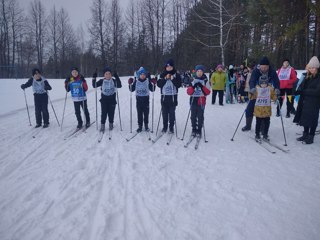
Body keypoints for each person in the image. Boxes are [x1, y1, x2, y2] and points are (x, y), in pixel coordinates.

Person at [242, 56, 280, 131]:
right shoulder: (256, 70)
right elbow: (252, 80)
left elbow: (276, 81)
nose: (263, 69)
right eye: (262, 67)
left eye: (265, 67)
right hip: (255, 91)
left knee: (263, 110)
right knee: (250, 108)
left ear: (268, 66)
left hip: (266, 92)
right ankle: (248, 125)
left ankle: (263, 128)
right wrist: (252, 88)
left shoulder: (272, 71)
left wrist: (277, 89)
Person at [293, 56, 320, 144]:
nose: (312, 69)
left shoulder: (318, 77)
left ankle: (311, 136)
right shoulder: (307, 77)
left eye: (313, 68)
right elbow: (301, 86)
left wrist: (304, 91)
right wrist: (298, 90)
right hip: (304, 100)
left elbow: (317, 91)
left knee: (312, 118)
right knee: (304, 117)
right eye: (310, 68)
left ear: (317, 68)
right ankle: (305, 134)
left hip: (314, 101)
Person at [92, 67, 122, 132]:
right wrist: (94, 78)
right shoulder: (101, 81)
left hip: (112, 100)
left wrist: (117, 77)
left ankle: (111, 124)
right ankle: (102, 125)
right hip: (104, 100)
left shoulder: (113, 80)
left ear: (111, 75)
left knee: (111, 113)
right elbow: (94, 85)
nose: (108, 75)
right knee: (104, 113)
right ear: (104, 75)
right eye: (106, 74)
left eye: (109, 74)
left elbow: (119, 85)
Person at [128, 67, 156, 132]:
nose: (142, 75)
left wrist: (154, 84)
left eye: (144, 74)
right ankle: (140, 126)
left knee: (146, 113)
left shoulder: (147, 81)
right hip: (139, 100)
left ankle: (146, 125)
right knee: (139, 113)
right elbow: (131, 89)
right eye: (141, 74)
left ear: (145, 75)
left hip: (146, 99)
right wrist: (130, 84)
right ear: (139, 75)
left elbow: (152, 89)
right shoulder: (136, 81)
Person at [157, 59, 181, 133]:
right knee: (164, 114)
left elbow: (179, 85)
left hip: (173, 98)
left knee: (172, 114)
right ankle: (165, 127)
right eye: (167, 67)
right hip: (164, 98)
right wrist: (165, 78)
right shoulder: (162, 74)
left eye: (170, 66)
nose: (169, 68)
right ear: (165, 67)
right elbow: (159, 84)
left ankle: (171, 127)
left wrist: (172, 79)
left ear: (173, 67)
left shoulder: (176, 74)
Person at [187, 65, 211, 137]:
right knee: (193, 116)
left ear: (203, 72)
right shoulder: (192, 80)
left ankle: (199, 129)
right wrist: (194, 87)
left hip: (201, 101)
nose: (199, 73)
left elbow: (208, 92)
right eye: (198, 71)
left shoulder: (205, 80)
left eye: (201, 71)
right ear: (196, 72)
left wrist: (202, 86)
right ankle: (194, 129)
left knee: (200, 116)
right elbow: (188, 92)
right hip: (193, 101)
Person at [252, 75, 277, 141]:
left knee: (267, 122)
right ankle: (257, 134)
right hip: (258, 110)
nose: (264, 85)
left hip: (267, 110)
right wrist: (251, 92)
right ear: (260, 83)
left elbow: (273, 96)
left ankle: (265, 134)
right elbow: (251, 97)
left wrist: (276, 96)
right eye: (262, 83)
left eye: (265, 83)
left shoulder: (270, 89)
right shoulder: (257, 89)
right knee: (258, 123)